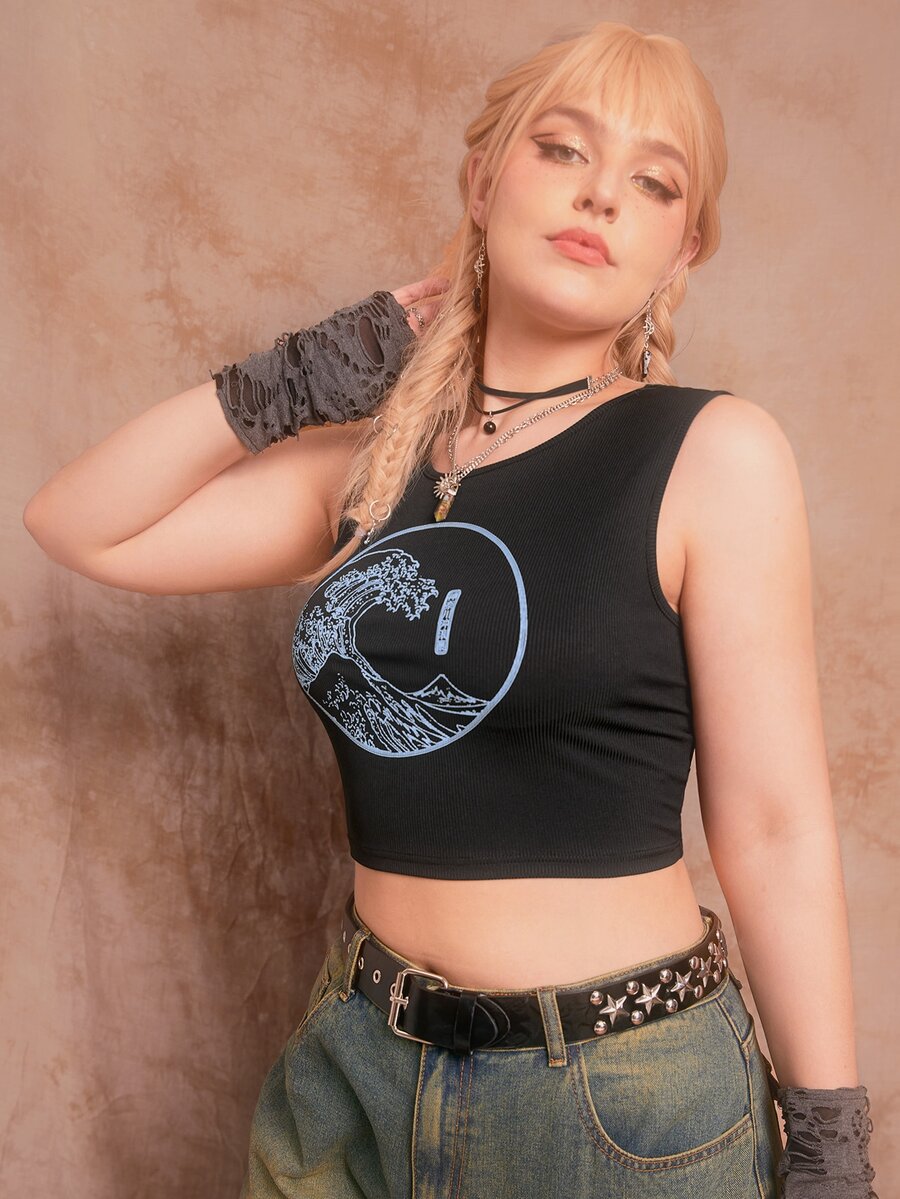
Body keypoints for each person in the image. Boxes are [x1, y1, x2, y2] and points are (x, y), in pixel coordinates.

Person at [23, 19, 878, 1199]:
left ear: (681, 250)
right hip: (356, 1068)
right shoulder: (370, 468)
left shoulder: (709, 452)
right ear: (482, 183)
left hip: (614, 1101)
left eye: (653, 181)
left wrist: (831, 1141)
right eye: (562, 149)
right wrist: (301, 373)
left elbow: (775, 826)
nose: (601, 195)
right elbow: (78, 522)